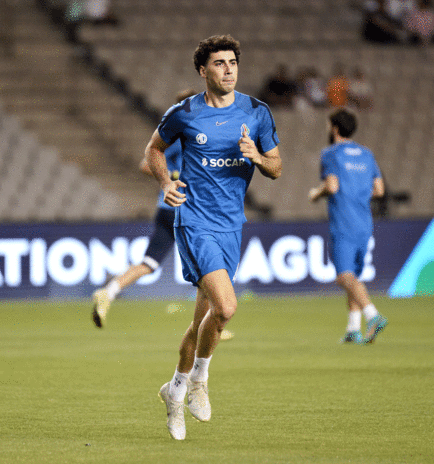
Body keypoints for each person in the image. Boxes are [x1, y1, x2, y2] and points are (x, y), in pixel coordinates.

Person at [146, 35, 282, 440]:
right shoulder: (185, 113)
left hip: (231, 225)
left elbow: (276, 167)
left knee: (203, 323)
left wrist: (257, 157)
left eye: (233, 63)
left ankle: (175, 390)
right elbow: (154, 150)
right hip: (194, 221)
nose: (228, 70)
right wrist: (166, 182)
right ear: (203, 71)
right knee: (226, 306)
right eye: (219, 63)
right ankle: (200, 380)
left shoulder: (256, 112)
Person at [91, 89, 196, 328]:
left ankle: (109, 291)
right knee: (208, 262)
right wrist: (173, 176)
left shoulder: (179, 133)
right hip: (182, 208)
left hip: (166, 209)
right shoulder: (181, 137)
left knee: (149, 263)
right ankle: (211, 323)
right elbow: (145, 164)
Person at [308, 109, 388, 345]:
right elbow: (379, 190)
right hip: (364, 222)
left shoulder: (331, 153)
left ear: (334, 129)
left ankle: (372, 315)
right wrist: (357, 194)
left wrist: (316, 193)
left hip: (344, 222)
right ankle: (353, 329)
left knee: (344, 276)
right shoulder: (367, 153)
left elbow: (332, 186)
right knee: (353, 277)